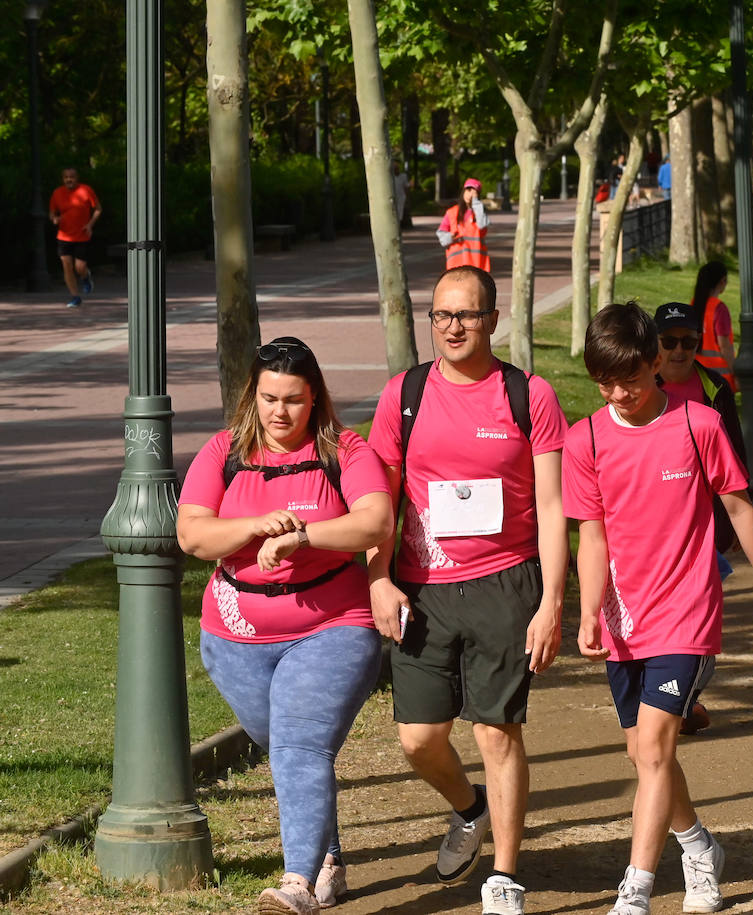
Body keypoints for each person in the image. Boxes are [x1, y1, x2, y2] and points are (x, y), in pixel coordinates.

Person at [562, 303, 753, 915]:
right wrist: (587, 612)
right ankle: (697, 843)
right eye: (604, 382)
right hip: (623, 620)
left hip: (687, 612)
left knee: (656, 749)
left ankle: (635, 888)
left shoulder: (699, 424)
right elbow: (593, 533)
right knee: (644, 755)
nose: (618, 393)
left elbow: (738, 508)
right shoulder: (583, 438)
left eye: (630, 379)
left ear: (657, 361)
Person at [365, 266, 570, 915]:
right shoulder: (405, 393)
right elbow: (380, 501)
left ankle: (504, 877)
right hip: (422, 588)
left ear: (492, 319)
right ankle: (469, 809)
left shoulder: (526, 394)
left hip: (505, 582)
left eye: (468, 314)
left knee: (496, 732)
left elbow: (554, 504)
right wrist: (377, 578)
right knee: (419, 738)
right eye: (443, 315)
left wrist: (552, 603)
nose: (454, 326)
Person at [177, 337, 394, 915]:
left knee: (298, 747)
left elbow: (375, 521)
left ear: (315, 398)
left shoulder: (344, 451)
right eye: (269, 398)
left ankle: (296, 883)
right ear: (253, 395)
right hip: (234, 639)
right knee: (294, 753)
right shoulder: (224, 451)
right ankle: (327, 857)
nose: (279, 412)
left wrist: (304, 537)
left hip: (332, 625)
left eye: (293, 400)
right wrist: (251, 527)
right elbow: (194, 534)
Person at [654, 301, 746, 735]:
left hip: (704, 529)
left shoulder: (715, 389)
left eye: (688, 342)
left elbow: (735, 462)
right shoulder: (641, 384)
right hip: (650, 527)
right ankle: (666, 694)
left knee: (700, 621)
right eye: (669, 342)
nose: (678, 351)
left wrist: (731, 527)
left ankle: (682, 698)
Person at [49, 167, 102, 308]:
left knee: (80, 267)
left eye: (71, 176)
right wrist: (54, 219)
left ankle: (85, 277)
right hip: (64, 236)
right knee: (66, 265)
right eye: (66, 177)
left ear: (77, 178)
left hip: (81, 235)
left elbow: (98, 209)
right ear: (63, 179)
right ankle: (75, 296)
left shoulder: (86, 190)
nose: (69, 179)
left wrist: (90, 225)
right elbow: (52, 212)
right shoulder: (57, 193)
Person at [692, 261, 737, 391]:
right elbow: (725, 346)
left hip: (697, 374)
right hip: (719, 378)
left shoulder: (694, 304)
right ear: (723, 281)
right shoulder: (719, 308)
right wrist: (736, 372)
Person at [437, 179, 491, 272]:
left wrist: (476, 202)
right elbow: (441, 236)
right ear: (463, 191)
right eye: (468, 190)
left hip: (476, 265)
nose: (470, 194)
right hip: (455, 265)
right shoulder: (452, 212)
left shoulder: (479, 213)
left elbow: (482, 225)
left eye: (474, 192)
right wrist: (451, 236)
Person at [392, 158, 410, 227]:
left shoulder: (403, 176)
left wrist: (407, 198)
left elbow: (406, 187)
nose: (396, 170)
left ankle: (398, 226)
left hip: (401, 197)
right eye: (394, 168)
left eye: (397, 168)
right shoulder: (391, 177)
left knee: (400, 212)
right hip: (393, 197)